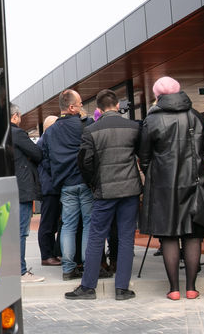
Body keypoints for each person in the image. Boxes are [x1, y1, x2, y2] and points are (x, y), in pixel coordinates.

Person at [66, 89, 140, 301]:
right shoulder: (134, 127)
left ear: (98, 109)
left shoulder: (91, 130)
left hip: (104, 190)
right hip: (130, 190)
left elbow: (85, 162)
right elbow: (143, 155)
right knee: (127, 238)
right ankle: (122, 289)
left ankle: (88, 287)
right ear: (117, 105)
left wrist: (93, 183)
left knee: (97, 236)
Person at [138, 77, 204, 300]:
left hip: (163, 186)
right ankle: (191, 287)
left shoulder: (152, 120)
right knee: (193, 235)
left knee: (169, 236)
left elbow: (144, 156)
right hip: (194, 182)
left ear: (157, 95)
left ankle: (174, 289)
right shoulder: (195, 116)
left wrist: (154, 172)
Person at [40, 90, 92, 281]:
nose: (81, 107)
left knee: (68, 225)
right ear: (71, 107)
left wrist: (57, 175)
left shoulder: (51, 131)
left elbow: (44, 158)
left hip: (65, 184)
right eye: (79, 104)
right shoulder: (84, 126)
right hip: (84, 182)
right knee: (88, 224)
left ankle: (68, 269)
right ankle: (89, 265)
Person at [9, 103, 44, 283]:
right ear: (14, 117)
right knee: (21, 231)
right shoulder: (17, 134)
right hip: (21, 189)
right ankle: (21, 272)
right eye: (19, 117)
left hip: (4, 190)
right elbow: (37, 153)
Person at [36, 115, 63, 266]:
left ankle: (51, 253)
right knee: (47, 223)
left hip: (52, 187)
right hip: (50, 187)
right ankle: (46, 256)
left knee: (52, 223)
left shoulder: (46, 140)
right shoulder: (44, 141)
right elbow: (49, 164)